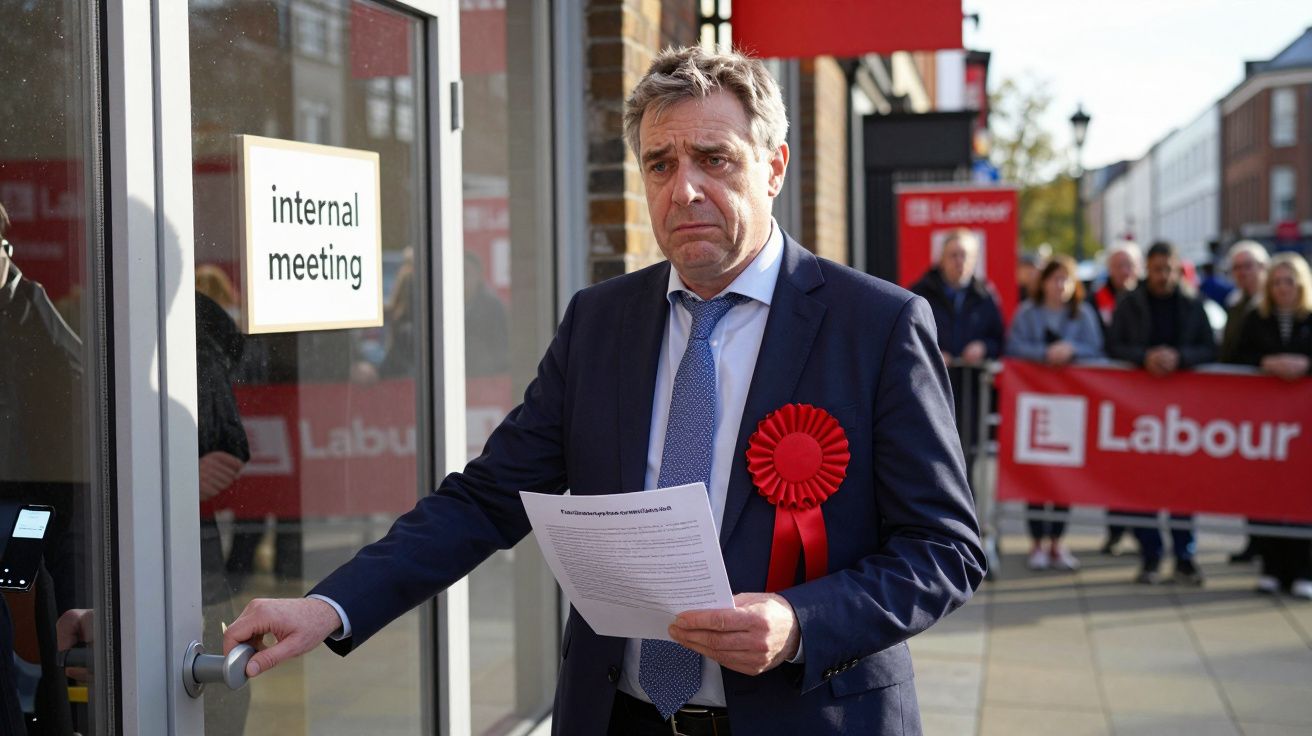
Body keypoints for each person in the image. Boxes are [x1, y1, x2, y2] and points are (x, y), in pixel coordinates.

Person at [222, 46, 985, 735]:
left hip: (811, 719)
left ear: (775, 165)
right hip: (618, 717)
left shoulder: (877, 325)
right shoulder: (600, 321)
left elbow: (946, 549)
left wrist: (800, 619)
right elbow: (487, 498)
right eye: (660, 164)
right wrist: (329, 604)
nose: (683, 190)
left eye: (714, 159)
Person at [1108, 241, 1217, 585]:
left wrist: (1180, 358)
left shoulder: (1193, 305)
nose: (1163, 276)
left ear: (1178, 269)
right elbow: (1113, 345)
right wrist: (1144, 357)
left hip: (1181, 416)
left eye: (1168, 269)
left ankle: (1185, 555)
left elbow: (1209, 348)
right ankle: (1150, 555)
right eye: (1157, 269)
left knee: (1182, 487)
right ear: (1147, 270)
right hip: (1137, 413)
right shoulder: (1129, 304)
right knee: (1141, 487)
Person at [1005, 255, 1104, 572]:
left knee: (1064, 476)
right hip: (1033, 405)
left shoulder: (1084, 314)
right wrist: (1044, 354)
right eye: (1054, 278)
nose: (1060, 285)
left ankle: (1057, 541)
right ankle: (1035, 541)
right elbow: (1014, 347)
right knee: (1035, 475)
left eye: (1066, 279)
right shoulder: (1027, 313)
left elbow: (1098, 349)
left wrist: (1072, 351)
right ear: (1043, 281)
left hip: (1070, 407)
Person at [1233, 253, 1312, 599]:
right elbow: (1235, 358)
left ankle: (1303, 569)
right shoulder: (1257, 318)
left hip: (1304, 427)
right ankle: (1271, 566)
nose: (1283, 288)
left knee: (1302, 496)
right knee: (1266, 493)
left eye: (1289, 281)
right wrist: (1266, 362)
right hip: (1266, 427)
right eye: (1277, 282)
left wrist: (1305, 364)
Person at [1088, 240, 1141, 556]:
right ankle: (1115, 529)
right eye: (1118, 265)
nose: (1124, 271)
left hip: (1143, 399)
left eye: (1129, 265)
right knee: (1111, 466)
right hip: (1107, 393)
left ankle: (1139, 530)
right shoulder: (1097, 300)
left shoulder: (1144, 300)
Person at [1219, 240, 1270, 564]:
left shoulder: (1273, 303)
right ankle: (1255, 540)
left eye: (1248, 266)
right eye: (1237, 268)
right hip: (1244, 404)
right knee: (1251, 479)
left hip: (1277, 406)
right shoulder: (1235, 303)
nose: (1242, 273)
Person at [910, 228, 1005, 367]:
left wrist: (984, 347)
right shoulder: (920, 293)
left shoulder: (985, 296)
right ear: (942, 259)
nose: (959, 261)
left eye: (964, 255)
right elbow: (909, 336)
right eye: (953, 255)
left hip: (971, 382)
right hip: (931, 379)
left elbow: (999, 341)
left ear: (974, 260)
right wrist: (931, 353)